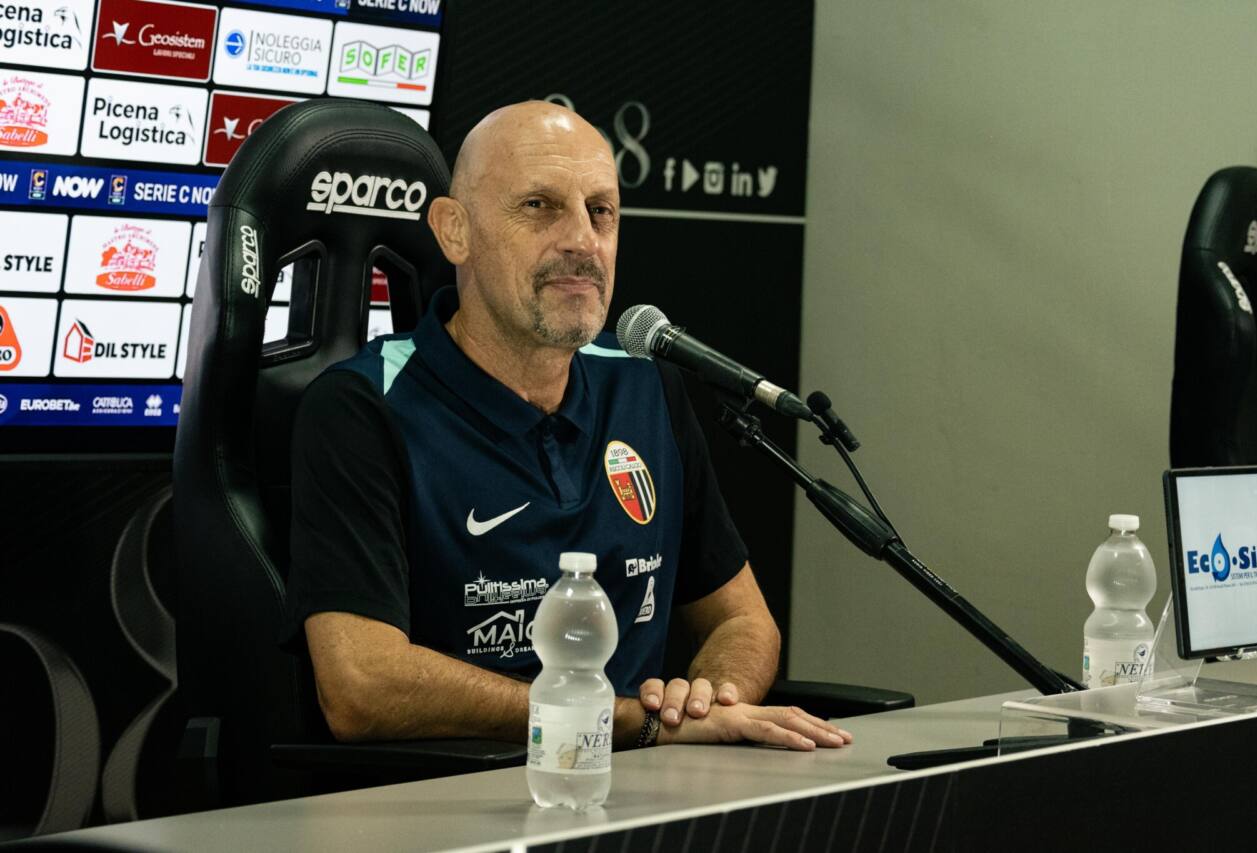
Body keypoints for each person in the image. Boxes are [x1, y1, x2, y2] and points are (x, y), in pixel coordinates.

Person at [283, 100, 851, 752]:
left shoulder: (646, 386)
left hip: (642, 799)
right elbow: (362, 684)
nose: (583, 239)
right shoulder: (364, 406)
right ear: (454, 231)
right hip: (456, 814)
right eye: (539, 206)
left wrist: (708, 699)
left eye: (601, 210)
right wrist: (623, 720)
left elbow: (743, 620)